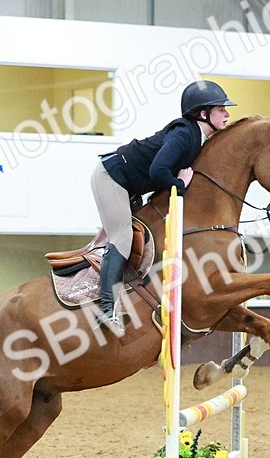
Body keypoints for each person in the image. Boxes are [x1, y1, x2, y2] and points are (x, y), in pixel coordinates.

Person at [90, 80, 235, 335]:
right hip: (111, 178)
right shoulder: (184, 133)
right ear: (203, 113)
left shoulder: (197, 137)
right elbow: (158, 171)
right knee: (122, 237)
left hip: (128, 185)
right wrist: (181, 183)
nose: (227, 113)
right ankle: (106, 310)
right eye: (221, 108)